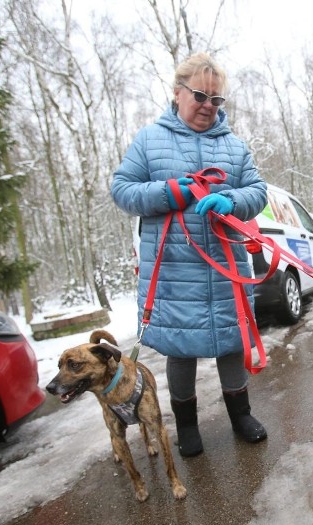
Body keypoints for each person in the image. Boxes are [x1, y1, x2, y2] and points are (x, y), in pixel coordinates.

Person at [111, 52, 269, 457]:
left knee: (231, 343)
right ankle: (187, 427)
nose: (208, 106)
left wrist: (230, 201)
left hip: (225, 268)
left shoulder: (234, 147)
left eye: (217, 100)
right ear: (178, 92)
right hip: (173, 273)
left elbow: (257, 192)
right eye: (201, 95)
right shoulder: (149, 140)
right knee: (180, 352)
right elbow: (123, 190)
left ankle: (241, 415)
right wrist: (168, 193)